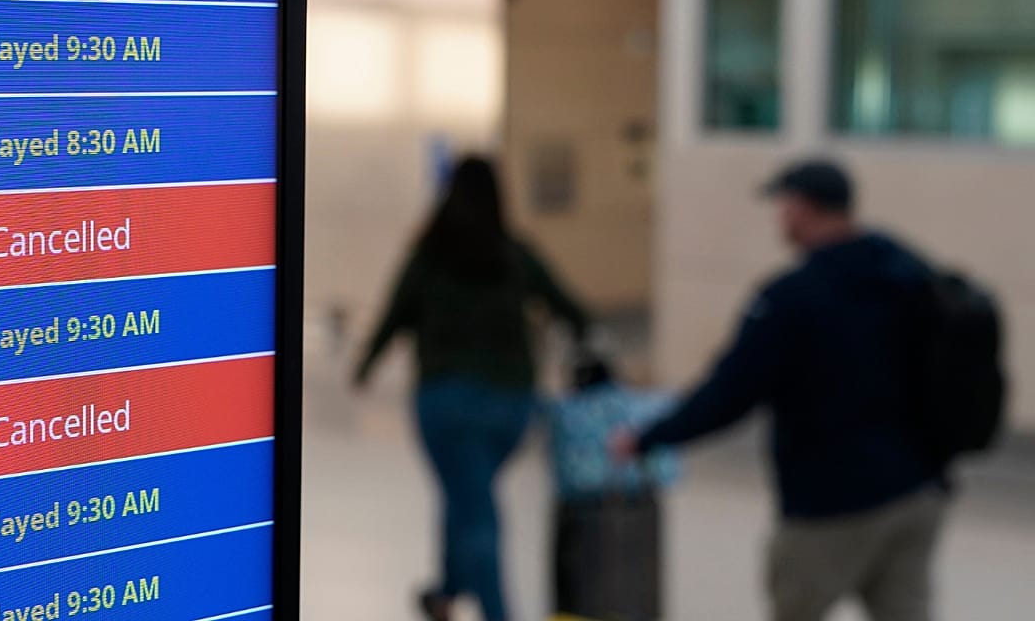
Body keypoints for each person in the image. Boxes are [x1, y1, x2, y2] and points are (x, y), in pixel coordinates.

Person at [611, 159, 947, 621]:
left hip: (832, 502)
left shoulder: (793, 297)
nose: (780, 217)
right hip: (919, 489)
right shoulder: (907, 272)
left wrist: (648, 437)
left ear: (801, 208)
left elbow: (729, 392)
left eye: (784, 205)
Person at [354, 156, 588, 621]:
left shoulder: (428, 256)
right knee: (466, 490)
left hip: (445, 406)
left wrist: (365, 365)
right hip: (512, 406)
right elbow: (572, 309)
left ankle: (494, 610)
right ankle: (446, 590)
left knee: (475, 511)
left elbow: (395, 313)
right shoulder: (515, 254)